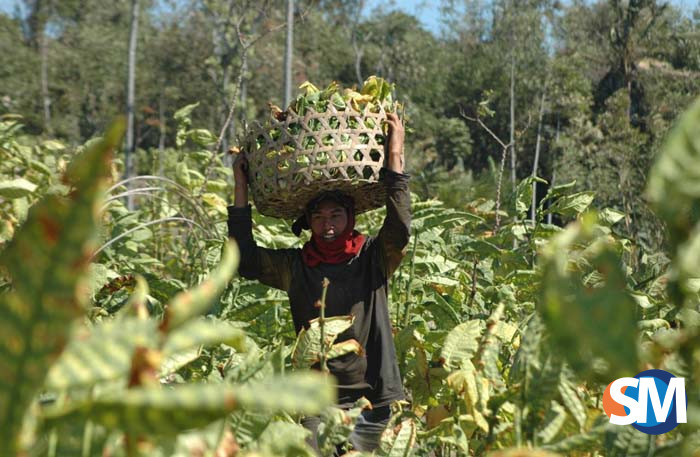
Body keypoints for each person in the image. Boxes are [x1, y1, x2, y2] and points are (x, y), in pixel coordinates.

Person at [227, 113, 410, 454]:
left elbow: (399, 230)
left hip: (374, 399)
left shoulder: (372, 256)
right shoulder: (296, 267)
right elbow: (245, 260)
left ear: (350, 218)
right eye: (319, 217)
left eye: (335, 216)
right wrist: (240, 186)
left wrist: (395, 155)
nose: (327, 224)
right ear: (308, 223)